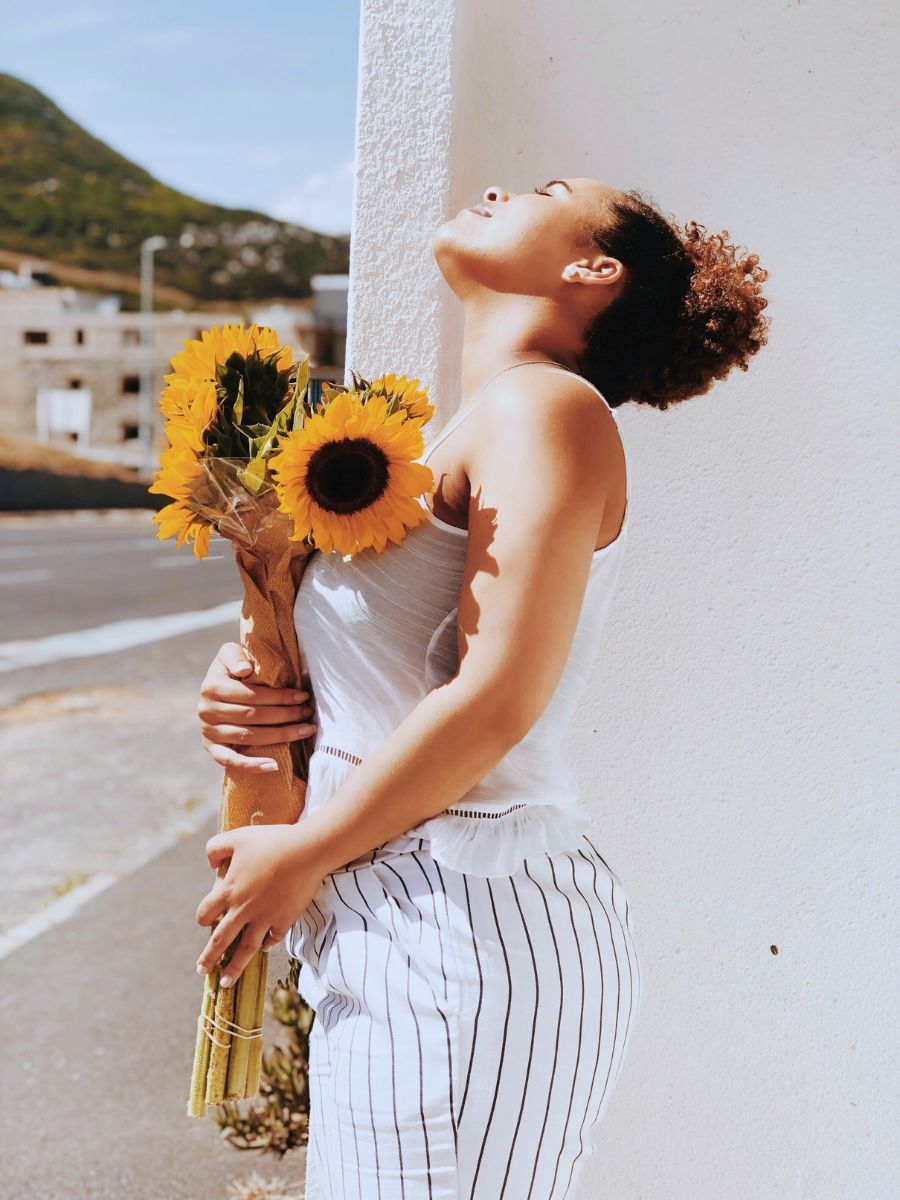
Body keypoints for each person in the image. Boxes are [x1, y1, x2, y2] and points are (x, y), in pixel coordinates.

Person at [193, 177, 770, 1198]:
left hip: (465, 913)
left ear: (593, 271)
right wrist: (248, 685)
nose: (500, 187)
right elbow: (388, 682)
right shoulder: (449, 441)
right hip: (397, 919)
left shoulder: (549, 405)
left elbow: (501, 695)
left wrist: (306, 854)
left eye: (547, 192)